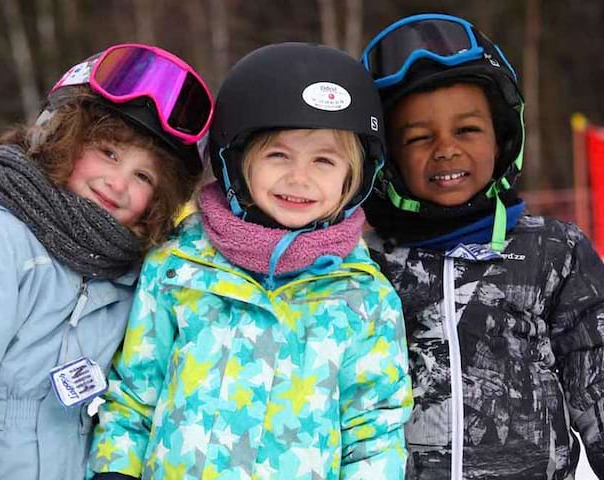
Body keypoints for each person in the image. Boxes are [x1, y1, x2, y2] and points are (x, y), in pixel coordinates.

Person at [87, 42, 412, 480]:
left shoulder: (363, 296)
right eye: (278, 155)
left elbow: (374, 432)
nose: (299, 178)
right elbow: (134, 393)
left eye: (324, 160)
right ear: (238, 160)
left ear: (352, 178)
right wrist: (115, 471)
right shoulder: (179, 265)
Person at [360, 12, 604, 479]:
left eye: (467, 130)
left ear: (502, 137)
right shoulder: (367, 267)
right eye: (418, 137)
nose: (446, 149)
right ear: (387, 157)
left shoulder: (554, 254)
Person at [0, 43, 213, 480]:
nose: (117, 184)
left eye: (143, 177)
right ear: (62, 139)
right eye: (108, 152)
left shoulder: (130, 277)